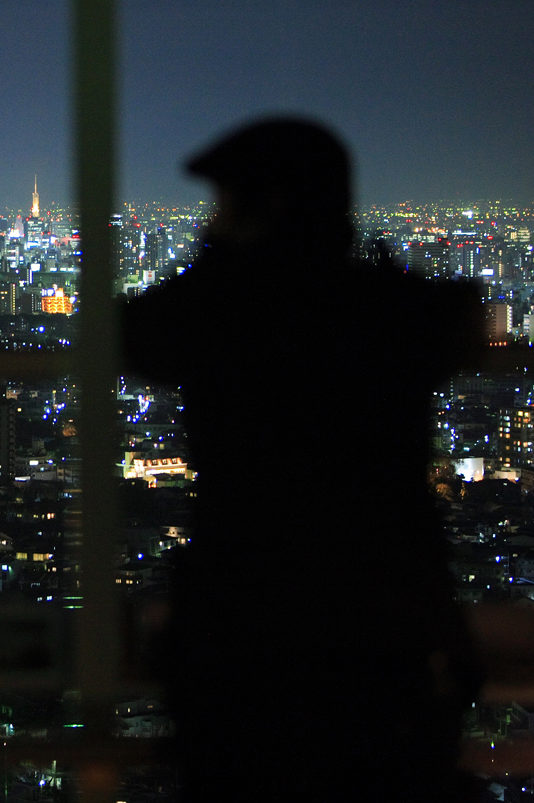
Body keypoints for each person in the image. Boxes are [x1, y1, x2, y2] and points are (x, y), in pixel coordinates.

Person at [121, 117, 484, 802]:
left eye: (226, 204)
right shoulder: (390, 310)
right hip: (386, 610)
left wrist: (224, 257)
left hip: (246, 615)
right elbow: (457, 318)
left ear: (264, 208)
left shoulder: (222, 311)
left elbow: (141, 332)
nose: (214, 217)